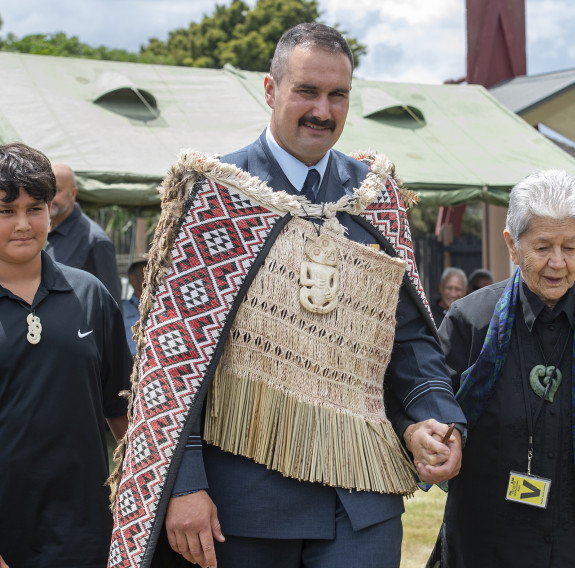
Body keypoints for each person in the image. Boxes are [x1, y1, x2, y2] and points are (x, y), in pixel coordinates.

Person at [109, 23, 465, 568]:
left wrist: (431, 418)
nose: (323, 110)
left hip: (362, 500)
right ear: (271, 90)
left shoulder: (376, 196)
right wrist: (183, 485)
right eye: (307, 91)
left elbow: (411, 337)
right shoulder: (218, 196)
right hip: (242, 504)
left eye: (338, 95)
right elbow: (171, 359)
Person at [433, 169, 575, 567]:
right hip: (487, 541)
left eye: (573, 247)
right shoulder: (470, 321)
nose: (559, 263)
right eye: (544, 247)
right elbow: (432, 402)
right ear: (512, 246)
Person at [0, 143, 132, 568]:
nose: (23, 224)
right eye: (6, 212)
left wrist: (147, 497)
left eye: (34, 208)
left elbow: (124, 410)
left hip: (87, 534)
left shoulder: (90, 294)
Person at [45, 163, 123, 309]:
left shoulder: (95, 240)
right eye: (45, 191)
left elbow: (111, 305)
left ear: (73, 193)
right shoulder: (40, 231)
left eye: (56, 191)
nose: (49, 198)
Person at [122, 257, 146, 356]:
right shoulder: (121, 308)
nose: (150, 279)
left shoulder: (162, 307)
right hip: (130, 363)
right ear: (132, 279)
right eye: (145, 274)